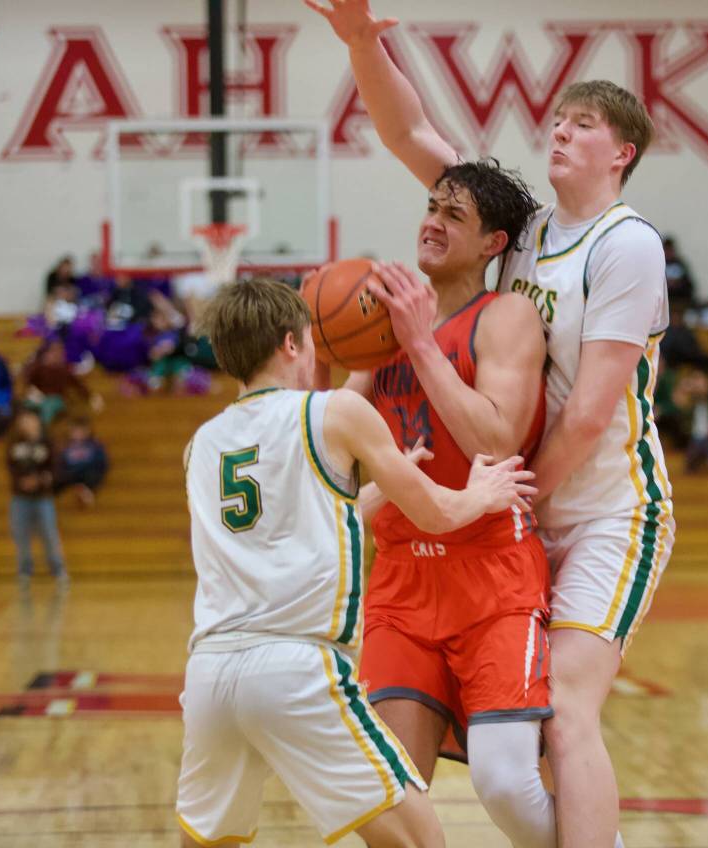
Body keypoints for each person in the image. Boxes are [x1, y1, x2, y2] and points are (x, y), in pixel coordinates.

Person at [306, 4, 675, 845]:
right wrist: (365, 43)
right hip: (519, 500)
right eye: (556, 119)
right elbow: (411, 135)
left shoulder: (626, 245)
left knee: (567, 712)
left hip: (606, 507)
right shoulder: (524, 236)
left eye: (583, 124)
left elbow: (586, 413)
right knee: (512, 750)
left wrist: (517, 498)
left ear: (621, 152)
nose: (560, 132)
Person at [177, 279, 535, 848]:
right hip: (297, 668)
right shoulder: (335, 411)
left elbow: (302, 516)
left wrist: (384, 488)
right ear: (292, 345)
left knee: (208, 842)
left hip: (210, 677)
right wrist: (484, 494)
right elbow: (439, 513)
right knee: (419, 840)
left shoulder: (202, 443)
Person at [319, 160, 558, 848]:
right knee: (388, 792)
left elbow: (497, 438)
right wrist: (321, 351)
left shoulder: (506, 317)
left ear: (492, 243)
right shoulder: (381, 329)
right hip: (401, 579)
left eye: (454, 215)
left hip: (491, 577)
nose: (432, 222)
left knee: (507, 784)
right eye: (430, 207)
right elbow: (327, 428)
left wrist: (421, 344)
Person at [6, 407, 68, 586]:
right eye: (23, 420)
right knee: (20, 534)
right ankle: (25, 570)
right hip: (20, 497)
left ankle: (58, 569)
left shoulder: (47, 443)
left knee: (49, 533)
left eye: (29, 419)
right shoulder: (14, 444)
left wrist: (40, 480)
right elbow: (11, 467)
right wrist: (22, 482)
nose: (26, 423)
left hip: (42, 497)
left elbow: (55, 468)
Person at [673, 368, 708, 475]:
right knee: (700, 438)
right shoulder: (690, 403)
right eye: (695, 382)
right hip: (693, 439)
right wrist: (682, 389)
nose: (698, 385)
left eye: (700, 381)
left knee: (703, 439)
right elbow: (681, 422)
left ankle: (696, 463)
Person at [53, 418, 109, 507]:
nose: (77, 433)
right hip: (71, 473)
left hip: (87, 472)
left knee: (92, 475)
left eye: (80, 431)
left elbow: (102, 462)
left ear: (87, 431)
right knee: (58, 479)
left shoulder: (94, 445)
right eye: (74, 430)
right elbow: (62, 462)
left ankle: (87, 492)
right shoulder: (66, 446)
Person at [662, 235, 697, 310]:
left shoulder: (680, 265)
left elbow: (690, 286)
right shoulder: (659, 265)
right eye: (666, 250)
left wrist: (678, 284)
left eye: (670, 250)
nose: (668, 253)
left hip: (679, 301)